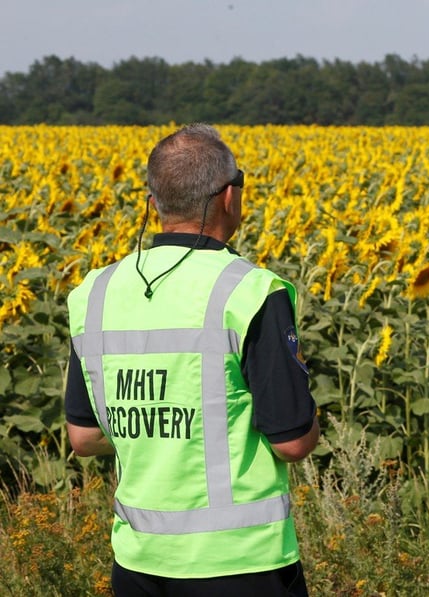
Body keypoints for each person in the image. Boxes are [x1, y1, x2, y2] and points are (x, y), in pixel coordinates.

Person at [64, 123, 320, 596]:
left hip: (139, 563)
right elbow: (292, 442)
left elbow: (83, 437)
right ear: (228, 197)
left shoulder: (94, 295)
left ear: (154, 202)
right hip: (240, 563)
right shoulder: (249, 291)